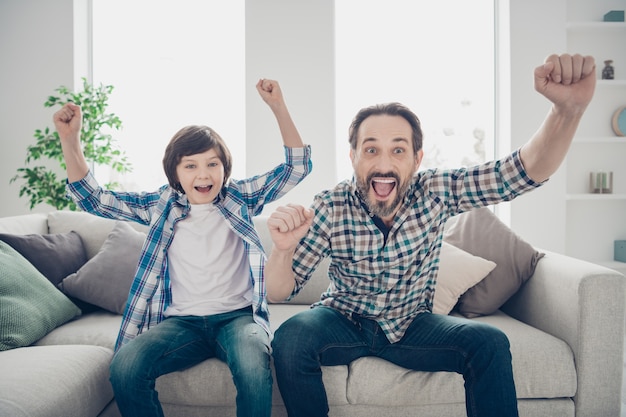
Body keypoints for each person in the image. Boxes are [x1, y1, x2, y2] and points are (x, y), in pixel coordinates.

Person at [264, 53, 596, 417]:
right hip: (344, 319)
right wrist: (282, 250)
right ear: (354, 157)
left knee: (488, 341)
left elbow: (518, 173)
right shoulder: (331, 205)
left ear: (417, 159)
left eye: (398, 150)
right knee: (291, 336)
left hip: (412, 324)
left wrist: (567, 112)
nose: (384, 163)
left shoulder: (437, 191)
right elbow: (281, 291)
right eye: (371, 149)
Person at [53, 79, 312, 417]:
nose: (203, 174)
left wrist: (278, 105)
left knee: (253, 362)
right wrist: (70, 140)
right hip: (182, 323)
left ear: (224, 169)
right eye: (190, 165)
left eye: (212, 164)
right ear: (175, 172)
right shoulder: (161, 204)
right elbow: (94, 199)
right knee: (125, 366)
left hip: (237, 318)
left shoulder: (239, 197)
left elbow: (296, 167)